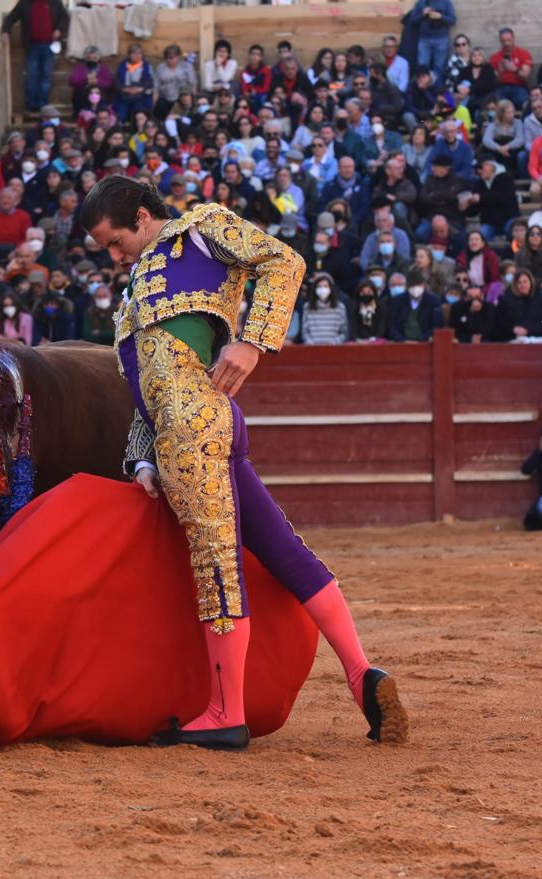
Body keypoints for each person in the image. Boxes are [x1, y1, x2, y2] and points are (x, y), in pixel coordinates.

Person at [82, 176, 409, 749]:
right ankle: (362, 675)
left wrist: (252, 341)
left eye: (114, 241)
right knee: (281, 548)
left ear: (140, 214)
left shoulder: (202, 229)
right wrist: (140, 458)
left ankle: (225, 711)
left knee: (216, 564)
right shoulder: (135, 289)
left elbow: (284, 261)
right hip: (190, 432)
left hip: (195, 429)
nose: (114, 256)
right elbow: (149, 392)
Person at [1, 0, 68, 112]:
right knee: (32, 76)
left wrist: (59, 30)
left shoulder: (55, 2)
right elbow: (11, 18)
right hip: (32, 46)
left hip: (49, 45)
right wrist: (5, 31)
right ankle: (31, 105)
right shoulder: (25, 3)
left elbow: (65, 18)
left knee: (46, 77)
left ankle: (42, 105)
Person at [494, 269, 542, 341]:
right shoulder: (506, 300)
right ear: (515, 284)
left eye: (525, 282)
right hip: (513, 340)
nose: (522, 285)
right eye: (519, 283)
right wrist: (513, 329)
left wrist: (528, 331)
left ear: (531, 282)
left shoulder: (541, 299)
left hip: (538, 339)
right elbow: (500, 322)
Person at [406, 0, 456, 81]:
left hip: (441, 39)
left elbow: (453, 20)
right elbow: (412, 20)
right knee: (422, 67)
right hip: (424, 39)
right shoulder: (421, 2)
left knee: (439, 67)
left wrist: (440, 17)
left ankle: (438, 90)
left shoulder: (446, 2)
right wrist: (422, 14)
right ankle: (423, 90)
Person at [388, 269, 443, 341]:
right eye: (412, 285)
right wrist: (402, 340)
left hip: (425, 343)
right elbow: (391, 325)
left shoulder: (434, 301)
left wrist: (421, 340)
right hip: (401, 343)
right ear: (407, 286)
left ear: (424, 285)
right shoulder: (397, 301)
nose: (415, 288)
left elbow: (436, 325)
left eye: (418, 285)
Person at [490, 27, 533, 109]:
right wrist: (500, 72)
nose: (506, 43)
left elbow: (526, 77)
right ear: (500, 41)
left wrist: (515, 69)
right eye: (503, 41)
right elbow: (493, 82)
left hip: (519, 87)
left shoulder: (523, 53)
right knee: (497, 103)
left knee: (524, 102)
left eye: (509, 40)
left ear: (513, 39)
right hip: (501, 87)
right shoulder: (494, 57)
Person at [300, 273, 349, 345]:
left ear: (331, 288)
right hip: (312, 349)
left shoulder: (340, 307)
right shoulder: (307, 307)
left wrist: (333, 343)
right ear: (315, 289)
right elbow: (305, 332)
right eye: (319, 286)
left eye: (326, 286)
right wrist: (311, 344)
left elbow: (344, 332)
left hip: (334, 349)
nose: (322, 289)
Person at [114, 43, 154, 121]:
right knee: (121, 113)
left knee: (139, 113)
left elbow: (150, 83)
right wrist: (124, 89)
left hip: (140, 96)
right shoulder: (122, 66)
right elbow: (117, 82)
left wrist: (140, 89)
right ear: (129, 55)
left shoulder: (146, 66)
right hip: (125, 95)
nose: (137, 55)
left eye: (139, 53)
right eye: (134, 53)